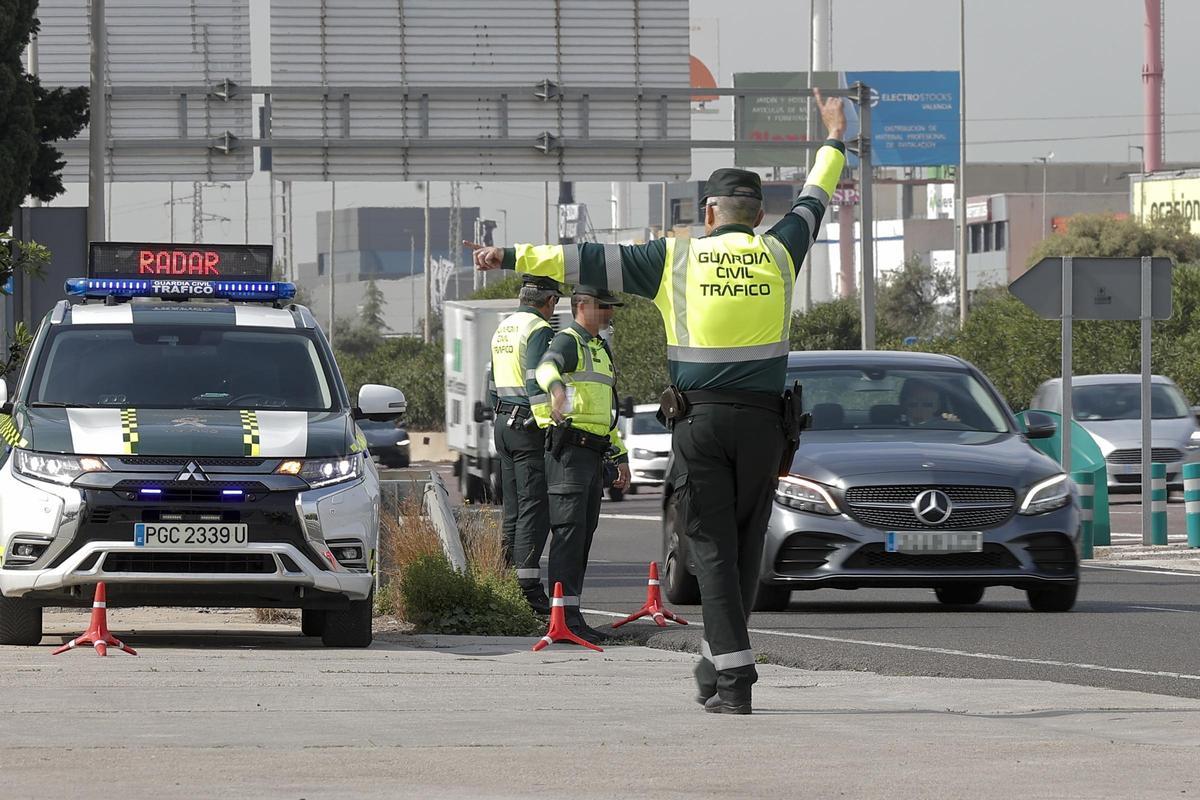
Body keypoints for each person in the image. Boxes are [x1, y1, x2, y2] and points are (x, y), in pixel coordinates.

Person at [469, 90, 847, 713]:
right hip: (766, 427)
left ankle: (735, 677)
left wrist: (508, 255)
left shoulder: (676, 259)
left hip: (701, 424)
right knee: (748, 542)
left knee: (710, 544)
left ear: (709, 212)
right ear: (755, 215)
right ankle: (717, 657)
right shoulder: (782, 252)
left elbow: (585, 257)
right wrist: (833, 135)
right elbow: (816, 197)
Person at [534, 285, 631, 644]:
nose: (609, 313)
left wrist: (619, 454)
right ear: (581, 306)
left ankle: (571, 616)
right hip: (570, 452)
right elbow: (545, 367)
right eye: (603, 306)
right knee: (569, 533)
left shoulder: (599, 348)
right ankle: (560, 619)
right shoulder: (569, 341)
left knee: (583, 535)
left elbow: (605, 411)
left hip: (593, 452)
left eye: (611, 307)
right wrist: (557, 391)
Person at [488, 275, 566, 614]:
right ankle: (528, 589)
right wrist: (549, 422)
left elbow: (491, 384)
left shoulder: (504, 328)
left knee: (514, 507)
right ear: (548, 300)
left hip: (502, 423)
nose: (554, 310)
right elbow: (537, 378)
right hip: (526, 425)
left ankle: (503, 579)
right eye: (555, 303)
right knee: (535, 506)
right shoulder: (538, 330)